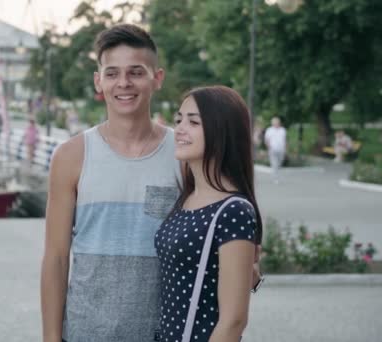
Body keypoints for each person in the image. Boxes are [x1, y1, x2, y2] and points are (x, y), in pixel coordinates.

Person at [40, 24, 261, 342]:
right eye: (112, 73)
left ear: (157, 78)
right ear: (98, 81)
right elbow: (56, 256)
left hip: (162, 333)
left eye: (136, 72)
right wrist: (50, 337)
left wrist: (248, 263)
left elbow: (222, 219)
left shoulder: (184, 154)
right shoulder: (70, 156)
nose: (124, 83)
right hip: (84, 332)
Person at [155, 86, 263, 342]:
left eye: (193, 122)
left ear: (221, 131)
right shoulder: (186, 197)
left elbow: (233, 321)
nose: (180, 129)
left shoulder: (233, 211)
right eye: (179, 120)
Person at [264, 116, 286, 182]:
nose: (276, 123)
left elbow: (284, 140)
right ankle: (275, 178)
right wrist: (269, 147)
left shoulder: (283, 130)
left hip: (281, 149)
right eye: (275, 122)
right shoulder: (269, 130)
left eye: (277, 122)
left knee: (279, 163)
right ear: (272, 123)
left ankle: (276, 174)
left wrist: (285, 149)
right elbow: (267, 140)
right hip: (272, 149)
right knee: (274, 164)